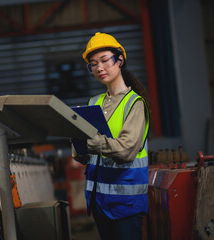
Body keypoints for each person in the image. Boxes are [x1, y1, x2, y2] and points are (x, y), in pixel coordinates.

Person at [72, 32, 150, 240]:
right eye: (93, 64)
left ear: (120, 60)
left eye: (105, 60)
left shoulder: (135, 104)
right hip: (99, 202)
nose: (99, 68)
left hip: (126, 206)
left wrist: (93, 143)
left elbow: (126, 150)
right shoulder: (92, 103)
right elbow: (87, 156)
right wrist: (77, 144)